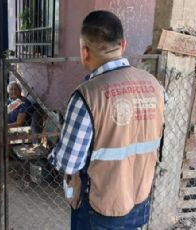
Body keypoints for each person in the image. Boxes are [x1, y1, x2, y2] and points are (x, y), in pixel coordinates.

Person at [48, 11, 165, 230]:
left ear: (84, 52)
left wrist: (55, 151)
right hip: (140, 200)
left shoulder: (87, 96)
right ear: (123, 44)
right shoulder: (156, 88)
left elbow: (68, 163)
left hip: (100, 209)